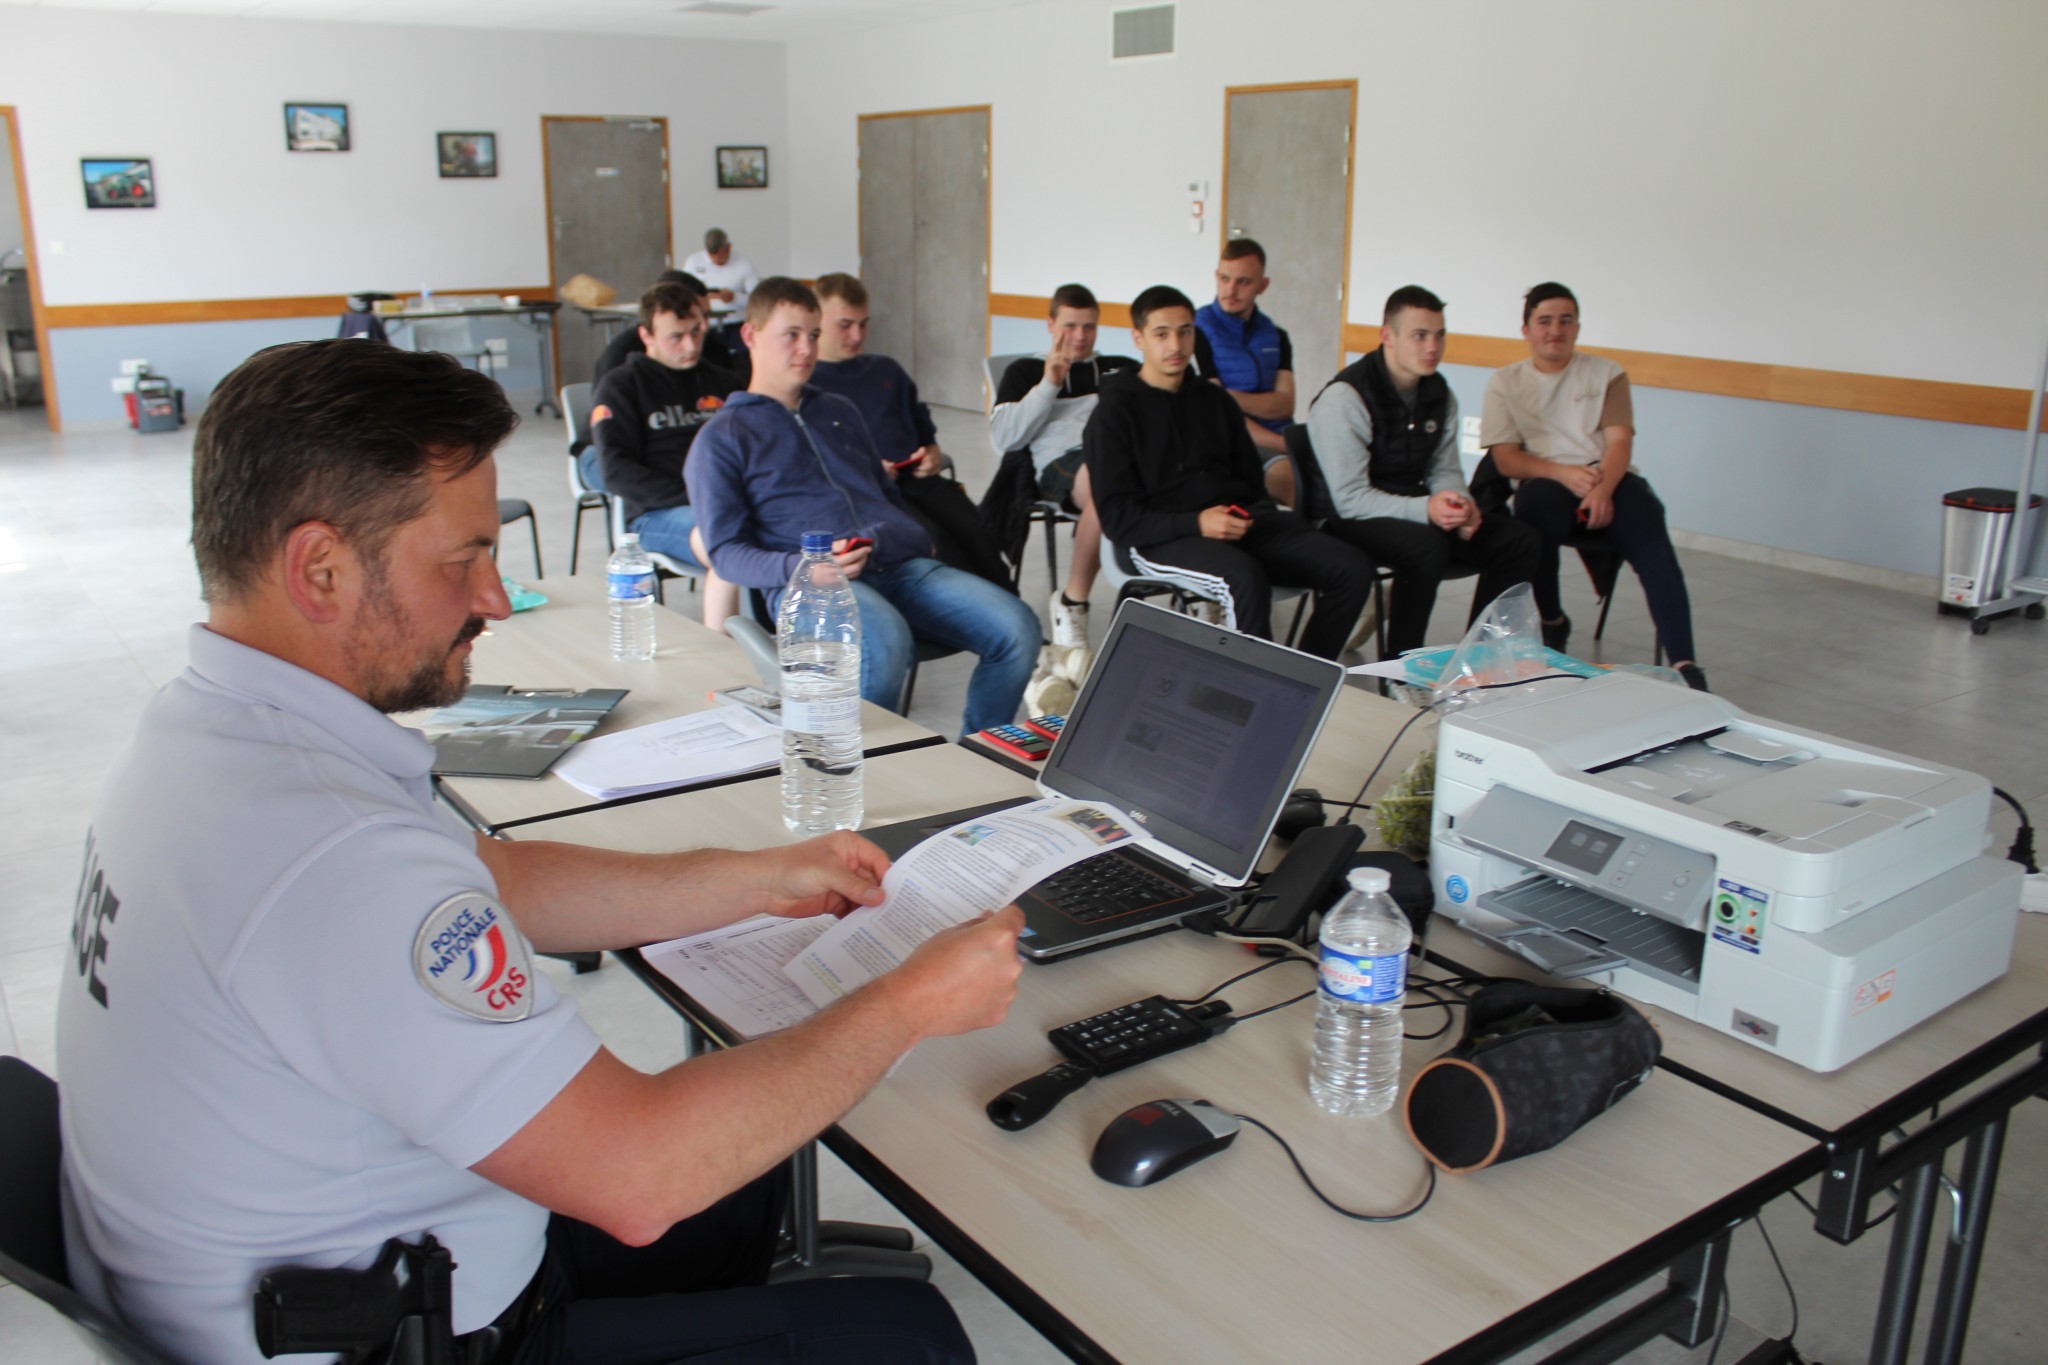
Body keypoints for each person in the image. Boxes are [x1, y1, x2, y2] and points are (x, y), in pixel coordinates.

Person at [54, 337, 1023, 1365]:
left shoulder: (215, 730)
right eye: (462, 558)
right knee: (905, 1337)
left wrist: (760, 877)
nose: (490, 597)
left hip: (352, 1251)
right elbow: (639, 1179)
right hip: (407, 1338)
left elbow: (491, 879)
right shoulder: (329, 858)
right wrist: (910, 1001)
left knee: (747, 1179)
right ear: (320, 569)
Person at [689, 278, 1042, 734]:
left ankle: (981, 752)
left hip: (898, 565)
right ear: (751, 335)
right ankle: (861, 773)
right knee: (885, 640)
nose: (806, 349)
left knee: (1018, 629)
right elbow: (726, 553)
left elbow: (887, 496)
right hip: (811, 586)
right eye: (791, 335)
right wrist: (804, 568)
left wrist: (914, 536)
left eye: (813, 335)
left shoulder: (837, 409)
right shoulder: (722, 437)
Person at [1083, 284, 1377, 660]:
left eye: (1185, 331)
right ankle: (1259, 699)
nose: (1175, 345)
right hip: (1157, 536)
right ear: (1138, 338)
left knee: (1351, 568)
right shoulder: (1113, 415)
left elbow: (1252, 482)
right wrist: (1198, 523)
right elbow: (1119, 520)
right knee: (1244, 578)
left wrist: (1248, 516)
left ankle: (1307, 677)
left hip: (1236, 524)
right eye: (1161, 334)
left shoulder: (1215, 401)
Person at [1480, 282, 1708, 690]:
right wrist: (1563, 474)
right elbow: (1505, 458)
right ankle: (1552, 620)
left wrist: (1602, 489)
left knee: (1651, 533)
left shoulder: (1606, 373)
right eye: (1544, 321)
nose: (1555, 330)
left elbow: (1619, 442)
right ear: (1526, 329)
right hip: (1548, 480)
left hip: (1607, 478)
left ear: (1578, 327)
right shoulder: (1505, 381)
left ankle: (1686, 664)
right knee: (1533, 511)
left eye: (1565, 321)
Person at [1308, 286, 1540, 657]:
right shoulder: (1345, 397)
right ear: (1388, 337)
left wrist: (1459, 503)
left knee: (1518, 540)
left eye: (1439, 335)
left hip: (1412, 507)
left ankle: (1481, 660)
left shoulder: (1439, 392)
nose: (1433, 347)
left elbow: (1443, 468)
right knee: (1426, 548)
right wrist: (1427, 509)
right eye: (1419, 335)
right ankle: (1402, 667)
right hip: (1349, 517)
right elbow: (1350, 500)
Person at [808, 272, 1008, 586]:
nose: (857, 335)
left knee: (978, 532)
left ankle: (1008, 608)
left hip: (917, 480)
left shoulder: (886, 370)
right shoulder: (809, 385)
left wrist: (931, 450)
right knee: (939, 545)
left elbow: (920, 422)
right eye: (845, 325)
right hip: (869, 495)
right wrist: (869, 472)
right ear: (817, 322)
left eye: (864, 324)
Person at [989, 283, 1140, 647]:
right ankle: (1073, 603)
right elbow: (1005, 439)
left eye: (1089, 327)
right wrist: (1049, 383)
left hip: (1121, 456)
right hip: (1063, 463)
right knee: (1110, 488)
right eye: (1070, 326)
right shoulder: (1025, 371)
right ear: (1050, 325)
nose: (1080, 336)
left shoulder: (1120, 369)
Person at [588, 279, 743, 628]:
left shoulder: (724, 381)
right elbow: (615, 471)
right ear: (647, 336)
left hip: (724, 503)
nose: (690, 345)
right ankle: (726, 655)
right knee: (727, 541)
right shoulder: (620, 386)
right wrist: (703, 496)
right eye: (676, 336)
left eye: (695, 332)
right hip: (657, 514)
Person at [1193, 238, 1297, 504]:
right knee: (1292, 480)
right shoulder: (1196, 330)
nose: (1231, 290)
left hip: (1280, 433)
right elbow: (1218, 412)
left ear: (1262, 286)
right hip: (1232, 441)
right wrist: (1286, 445)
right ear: (1216, 277)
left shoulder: (1276, 335)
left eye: (1244, 282)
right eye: (1225, 279)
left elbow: (1285, 404)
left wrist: (1228, 397)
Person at [591, 271, 739, 383]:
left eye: (706, 316)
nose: (704, 327)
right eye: (676, 336)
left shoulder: (715, 350)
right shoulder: (619, 357)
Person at [682, 228, 760, 349]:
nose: (717, 260)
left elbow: (757, 300)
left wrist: (735, 297)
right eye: (712, 256)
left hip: (735, 326)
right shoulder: (693, 262)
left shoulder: (744, 263)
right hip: (704, 326)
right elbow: (682, 293)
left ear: (729, 247)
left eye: (721, 256)